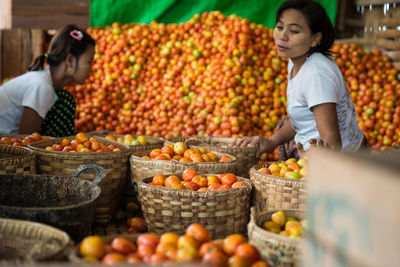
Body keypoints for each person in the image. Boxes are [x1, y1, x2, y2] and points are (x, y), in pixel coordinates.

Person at [236, 0, 366, 159]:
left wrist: (311, 159)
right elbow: (303, 117)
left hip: (343, 160)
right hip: (313, 147)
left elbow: (332, 142)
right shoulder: (296, 60)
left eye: (294, 31)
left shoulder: (316, 74)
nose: (282, 36)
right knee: (284, 123)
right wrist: (270, 141)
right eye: (280, 27)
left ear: (315, 39)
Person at [0, 24, 95, 137]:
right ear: (70, 60)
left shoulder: (48, 85)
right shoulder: (42, 86)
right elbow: (26, 140)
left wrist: (88, 137)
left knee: (64, 98)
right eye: (89, 62)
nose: (91, 69)